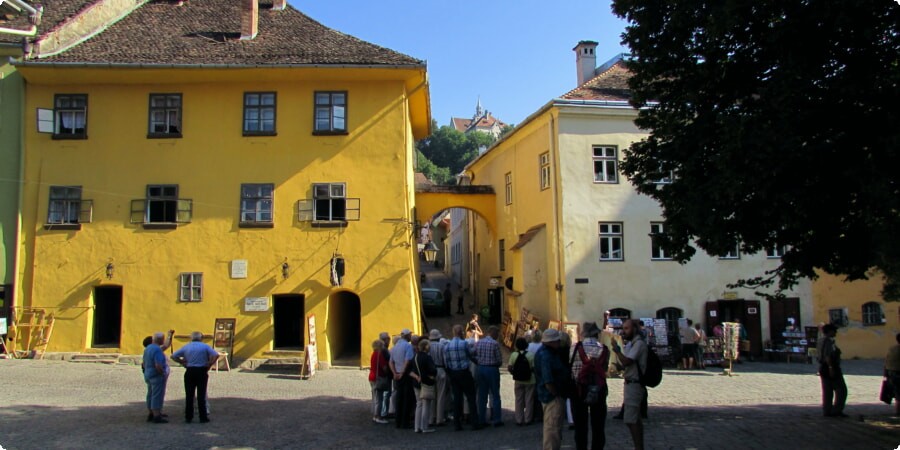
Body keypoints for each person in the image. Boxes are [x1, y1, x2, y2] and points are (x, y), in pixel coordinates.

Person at [571, 322, 609, 450]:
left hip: (579, 388)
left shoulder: (575, 347)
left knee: (580, 425)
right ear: (596, 334)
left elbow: (569, 365)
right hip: (598, 388)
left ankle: (581, 447)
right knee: (598, 425)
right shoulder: (604, 349)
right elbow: (605, 368)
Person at [611, 319, 648, 450]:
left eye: (626, 328)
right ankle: (638, 446)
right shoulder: (632, 344)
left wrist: (616, 350)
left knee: (630, 419)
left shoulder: (638, 344)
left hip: (635, 384)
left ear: (634, 329)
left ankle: (638, 447)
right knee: (635, 418)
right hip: (630, 382)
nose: (623, 331)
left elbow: (627, 361)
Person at [170, 331, 219, 424]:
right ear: (201, 338)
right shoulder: (205, 346)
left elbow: (173, 356)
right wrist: (209, 364)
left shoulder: (187, 346)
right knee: (201, 394)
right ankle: (203, 416)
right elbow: (216, 355)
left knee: (189, 395)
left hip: (190, 370)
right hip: (201, 370)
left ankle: (188, 416)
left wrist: (182, 362)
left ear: (191, 338)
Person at [444, 324, 481, 431]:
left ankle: (457, 424)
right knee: (471, 397)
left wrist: (450, 373)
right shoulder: (464, 344)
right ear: (461, 333)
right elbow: (471, 354)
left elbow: (446, 362)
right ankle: (474, 423)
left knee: (457, 399)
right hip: (464, 372)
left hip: (454, 374)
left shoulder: (447, 346)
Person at [535, 328, 566, 450]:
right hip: (552, 397)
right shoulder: (546, 355)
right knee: (552, 430)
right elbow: (548, 380)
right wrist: (556, 394)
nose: (559, 342)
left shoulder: (545, 352)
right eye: (557, 340)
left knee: (553, 429)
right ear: (552, 342)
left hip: (549, 395)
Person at [474, 325, 503, 427]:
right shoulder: (495, 344)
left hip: (481, 368)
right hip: (492, 369)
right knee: (495, 395)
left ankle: (481, 419)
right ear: (493, 333)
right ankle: (496, 419)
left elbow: (474, 354)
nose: (498, 336)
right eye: (497, 334)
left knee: (482, 395)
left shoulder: (479, 343)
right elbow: (499, 360)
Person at [817, 324, 848, 417]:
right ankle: (836, 410)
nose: (836, 332)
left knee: (827, 391)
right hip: (830, 367)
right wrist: (831, 368)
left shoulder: (820, 340)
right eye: (834, 331)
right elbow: (827, 356)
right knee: (841, 390)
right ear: (829, 331)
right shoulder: (828, 342)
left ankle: (827, 410)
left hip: (823, 367)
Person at [143, 332, 171, 424]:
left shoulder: (148, 348)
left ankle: (151, 413)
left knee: (150, 394)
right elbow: (158, 365)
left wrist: (170, 336)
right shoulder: (157, 350)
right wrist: (162, 373)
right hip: (156, 375)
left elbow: (144, 363)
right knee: (157, 395)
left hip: (148, 373)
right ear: (160, 340)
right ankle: (156, 416)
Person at [411, 339, 438, 433]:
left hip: (416, 382)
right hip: (426, 383)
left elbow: (410, 371)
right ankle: (424, 427)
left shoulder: (415, 356)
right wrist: (432, 376)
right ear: (426, 347)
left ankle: (416, 426)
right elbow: (433, 370)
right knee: (426, 405)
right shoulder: (427, 357)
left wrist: (416, 376)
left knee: (419, 404)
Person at [390, 328, 415, 429]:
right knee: (406, 398)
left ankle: (398, 421)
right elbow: (407, 360)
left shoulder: (394, 347)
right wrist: (402, 372)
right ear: (407, 335)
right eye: (410, 335)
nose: (411, 336)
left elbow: (390, 362)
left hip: (397, 374)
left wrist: (394, 373)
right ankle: (405, 422)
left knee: (399, 398)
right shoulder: (407, 346)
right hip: (405, 375)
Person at [508, 337, 535, 426]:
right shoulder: (531, 355)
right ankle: (528, 419)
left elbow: (510, 367)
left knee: (518, 399)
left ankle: (519, 419)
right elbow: (534, 368)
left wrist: (514, 373)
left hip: (518, 380)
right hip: (530, 379)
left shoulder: (514, 355)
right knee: (529, 399)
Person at [428, 329, 450, 427]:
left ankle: (431, 417)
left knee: (432, 395)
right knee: (441, 395)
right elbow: (445, 360)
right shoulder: (442, 346)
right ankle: (439, 418)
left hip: (430, 371)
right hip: (440, 370)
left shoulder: (427, 346)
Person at [369, 339, 391, 424]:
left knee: (375, 397)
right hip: (378, 378)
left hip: (372, 376)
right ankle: (378, 416)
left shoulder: (373, 354)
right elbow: (384, 367)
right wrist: (388, 373)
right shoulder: (379, 355)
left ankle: (375, 415)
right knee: (379, 398)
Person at [885, 333, 900, 417]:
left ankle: (898, 411)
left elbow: (886, 361)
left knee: (897, 393)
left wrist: (885, 374)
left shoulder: (891, 349)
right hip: (898, 373)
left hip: (891, 373)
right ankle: (898, 412)